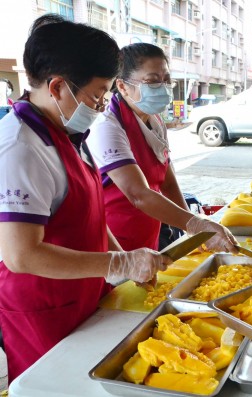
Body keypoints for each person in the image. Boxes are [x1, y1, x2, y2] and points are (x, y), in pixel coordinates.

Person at [0, 15, 168, 382]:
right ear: (58, 87)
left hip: (84, 296)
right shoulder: (19, 147)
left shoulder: (67, 132)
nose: (102, 103)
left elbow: (90, 216)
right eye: (97, 94)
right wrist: (117, 265)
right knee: (54, 387)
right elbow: (21, 254)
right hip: (44, 309)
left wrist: (123, 261)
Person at [88, 43, 237, 253]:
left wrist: (191, 229)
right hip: (116, 243)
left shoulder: (155, 120)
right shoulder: (107, 125)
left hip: (149, 235)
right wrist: (194, 224)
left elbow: (167, 182)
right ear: (122, 86)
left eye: (166, 80)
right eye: (152, 81)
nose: (163, 86)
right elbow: (138, 193)